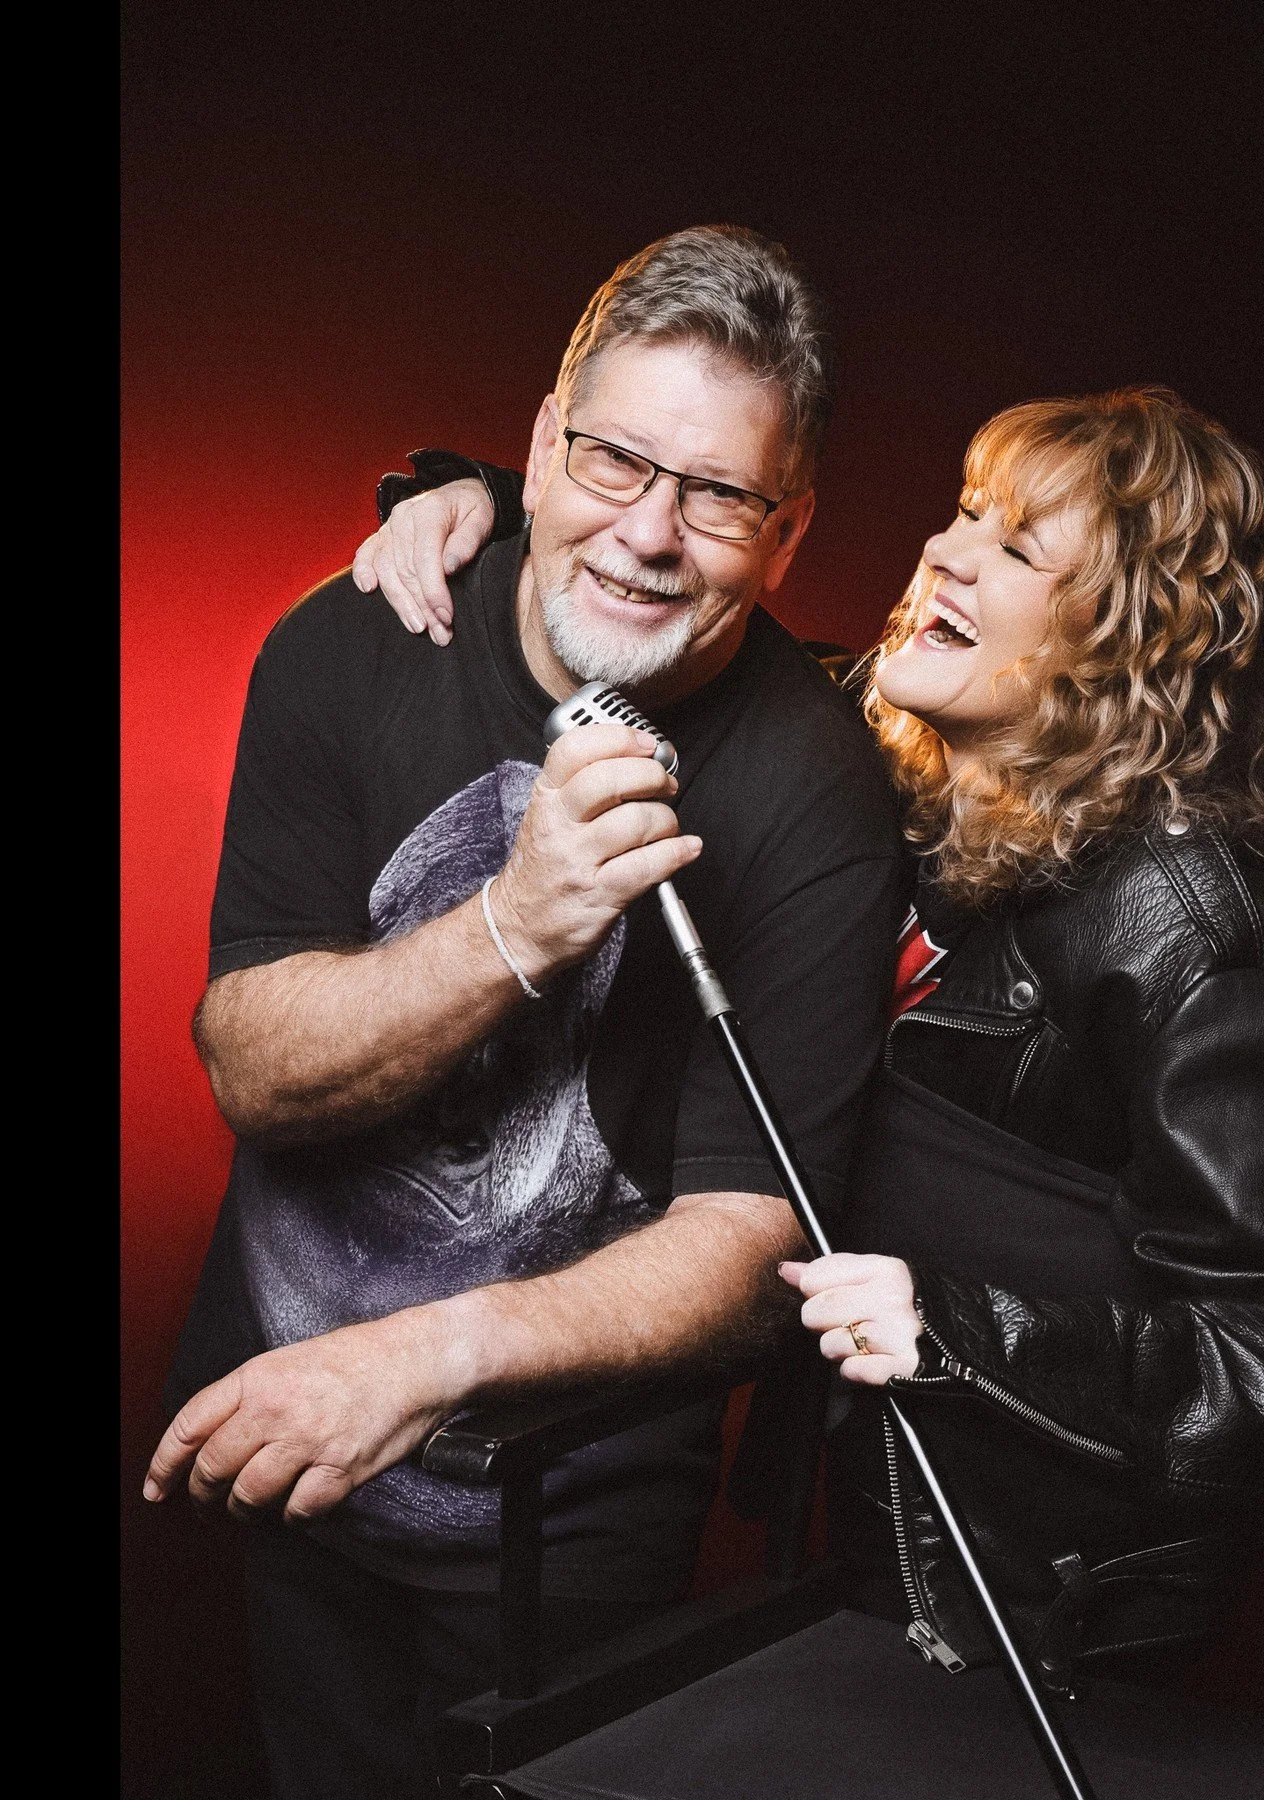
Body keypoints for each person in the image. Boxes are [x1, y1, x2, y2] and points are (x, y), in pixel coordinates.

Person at [367, 385, 1264, 1696]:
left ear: (1129, 639)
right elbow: (706, 652)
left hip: (1051, 1611)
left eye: (1020, 546)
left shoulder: (1199, 930)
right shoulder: (883, 751)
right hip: (853, 1526)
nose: (945, 551)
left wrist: (956, 1329)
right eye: (965, 513)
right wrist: (492, 510)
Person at [144, 226, 909, 1798]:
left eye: (719, 494)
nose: (648, 532)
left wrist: (416, 1363)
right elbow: (250, 1072)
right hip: (282, 1445)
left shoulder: (817, 791)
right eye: (616, 459)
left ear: (791, 529)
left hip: (564, 1524)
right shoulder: (356, 639)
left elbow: (751, 1241)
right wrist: (512, 928)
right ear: (541, 447)